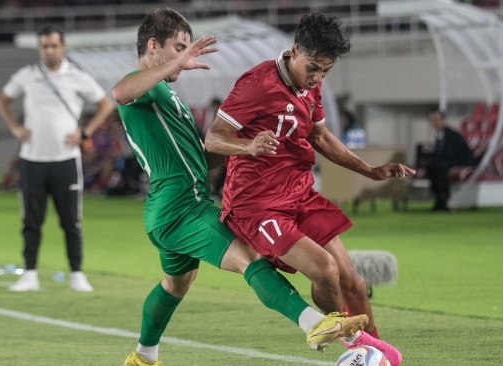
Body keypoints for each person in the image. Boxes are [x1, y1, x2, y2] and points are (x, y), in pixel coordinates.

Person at [111, 9, 368, 366]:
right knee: (250, 257)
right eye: (179, 48)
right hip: (181, 208)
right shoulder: (143, 86)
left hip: (175, 206)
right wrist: (174, 66)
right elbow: (120, 91)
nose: (187, 56)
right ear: (153, 46)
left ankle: (143, 357)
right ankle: (315, 323)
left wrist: (247, 150)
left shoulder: (166, 95)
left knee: (175, 285)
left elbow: (201, 158)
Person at [205, 13, 411, 366]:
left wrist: (368, 170)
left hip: (298, 193)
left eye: (325, 72)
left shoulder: (309, 84)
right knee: (326, 269)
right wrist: (249, 146)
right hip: (256, 204)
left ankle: (373, 355)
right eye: (313, 68)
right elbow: (213, 138)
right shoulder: (256, 84)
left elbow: (318, 136)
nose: (317, 78)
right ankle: (357, 348)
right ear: (295, 51)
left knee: (355, 285)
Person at [0, 24, 114, 292]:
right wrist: (15, 128)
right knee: (31, 221)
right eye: (44, 46)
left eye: (53, 45)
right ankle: (30, 274)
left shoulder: (76, 76)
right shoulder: (26, 75)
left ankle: (77, 274)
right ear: (39, 48)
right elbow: (1, 100)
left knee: (71, 221)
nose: (49, 50)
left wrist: (84, 133)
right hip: (32, 160)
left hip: (66, 160)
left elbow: (105, 105)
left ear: (63, 47)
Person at [422, 108, 477, 212]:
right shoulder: (436, 136)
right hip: (445, 163)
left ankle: (443, 198)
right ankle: (438, 197)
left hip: (459, 162)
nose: (434, 122)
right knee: (431, 168)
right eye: (432, 120)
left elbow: (454, 155)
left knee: (439, 169)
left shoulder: (452, 135)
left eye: (436, 119)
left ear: (443, 120)